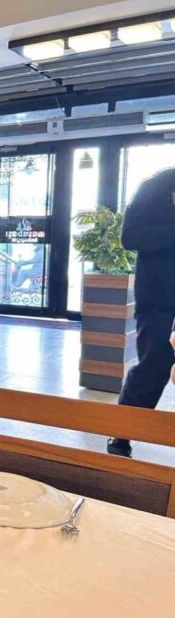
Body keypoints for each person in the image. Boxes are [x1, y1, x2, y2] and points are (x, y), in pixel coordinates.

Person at [108, 167, 175, 458]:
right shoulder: (155, 186)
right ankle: (122, 432)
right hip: (158, 294)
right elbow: (130, 237)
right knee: (154, 365)